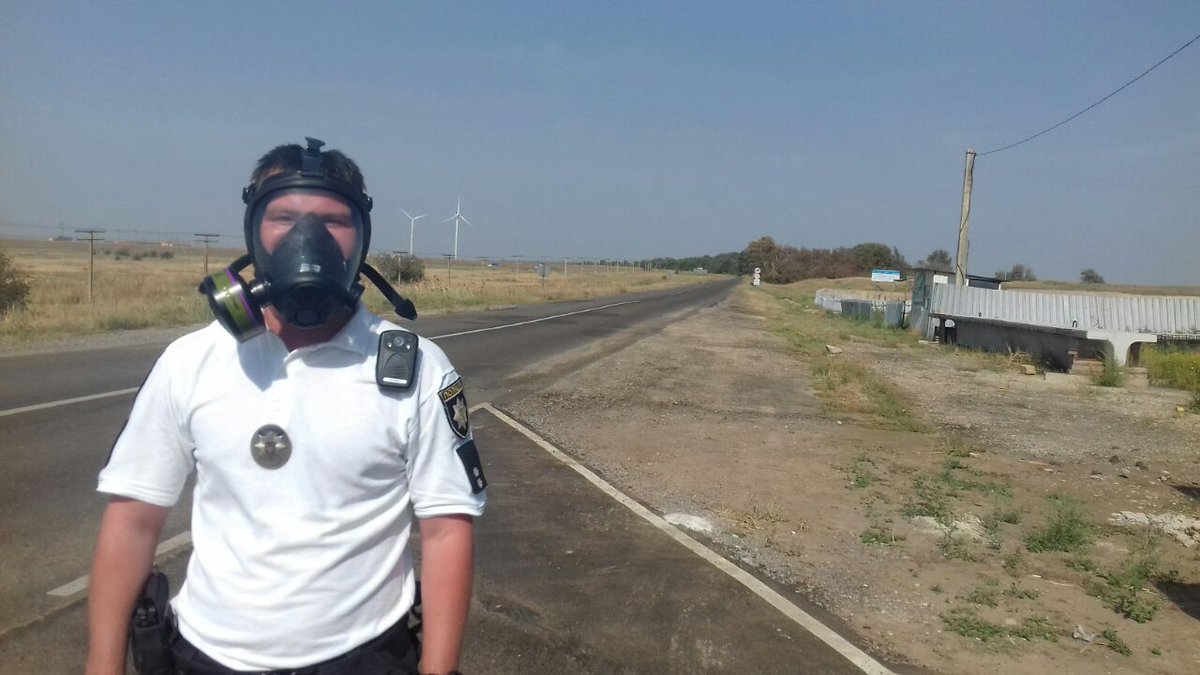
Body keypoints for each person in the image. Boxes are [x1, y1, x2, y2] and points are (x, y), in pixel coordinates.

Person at [85, 138, 487, 675]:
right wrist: (101, 664)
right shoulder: (192, 361)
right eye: (285, 216)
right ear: (255, 231)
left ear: (361, 239)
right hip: (205, 656)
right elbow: (133, 520)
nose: (308, 237)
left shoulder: (419, 370)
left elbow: (445, 530)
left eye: (333, 220)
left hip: (362, 658)